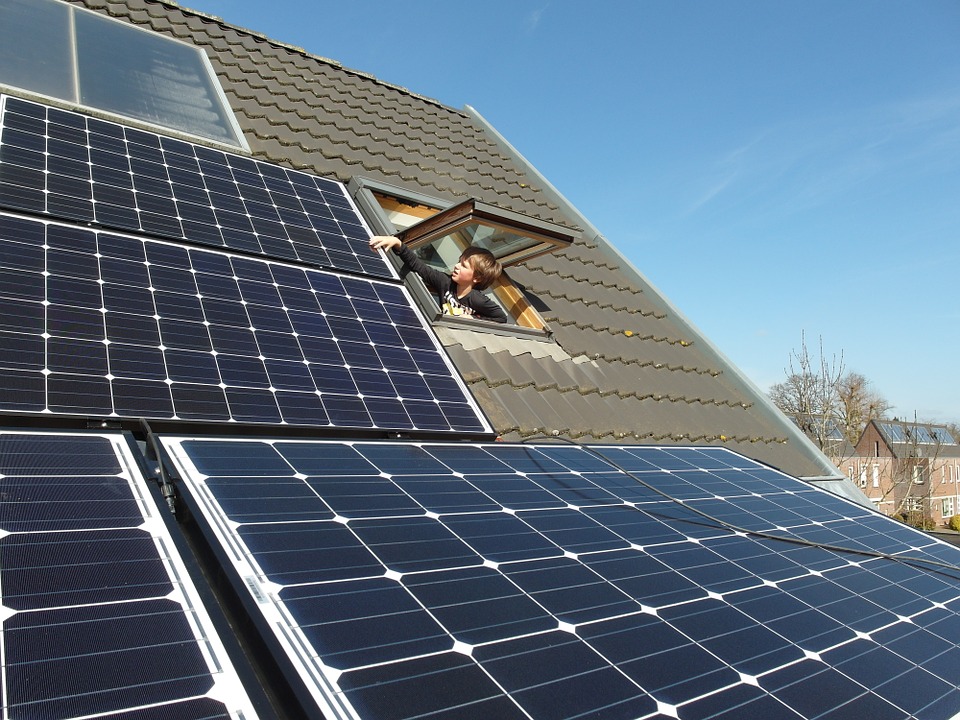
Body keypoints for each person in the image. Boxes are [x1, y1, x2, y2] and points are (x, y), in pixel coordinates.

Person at [369, 235, 508, 323]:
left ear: (477, 278)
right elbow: (419, 266)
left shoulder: (477, 299)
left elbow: (501, 318)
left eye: (464, 266)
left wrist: (472, 319)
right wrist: (398, 243)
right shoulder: (444, 282)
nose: (457, 266)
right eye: (459, 261)